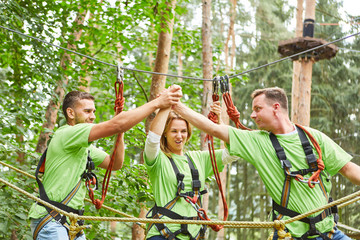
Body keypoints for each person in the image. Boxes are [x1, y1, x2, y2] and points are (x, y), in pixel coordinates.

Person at [172, 87, 360, 240]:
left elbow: (348, 169)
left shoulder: (313, 137)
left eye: (258, 109)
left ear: (276, 107)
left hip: (328, 232)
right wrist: (176, 105)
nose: (253, 115)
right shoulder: (257, 142)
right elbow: (213, 128)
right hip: (290, 235)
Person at [29, 86, 182, 240]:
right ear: (70, 113)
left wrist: (119, 133)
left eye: (94, 112)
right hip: (52, 220)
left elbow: (115, 163)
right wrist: (158, 103)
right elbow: (117, 124)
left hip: (70, 222)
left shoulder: (83, 148)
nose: (93, 116)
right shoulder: (68, 133)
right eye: (87, 111)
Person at [144, 100, 239, 240]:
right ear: (165, 133)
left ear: (188, 134)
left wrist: (219, 125)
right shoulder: (158, 160)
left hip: (193, 235)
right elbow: (152, 140)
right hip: (162, 234)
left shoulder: (200, 159)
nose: (179, 136)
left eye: (183, 131)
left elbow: (235, 152)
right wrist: (165, 104)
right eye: (174, 131)